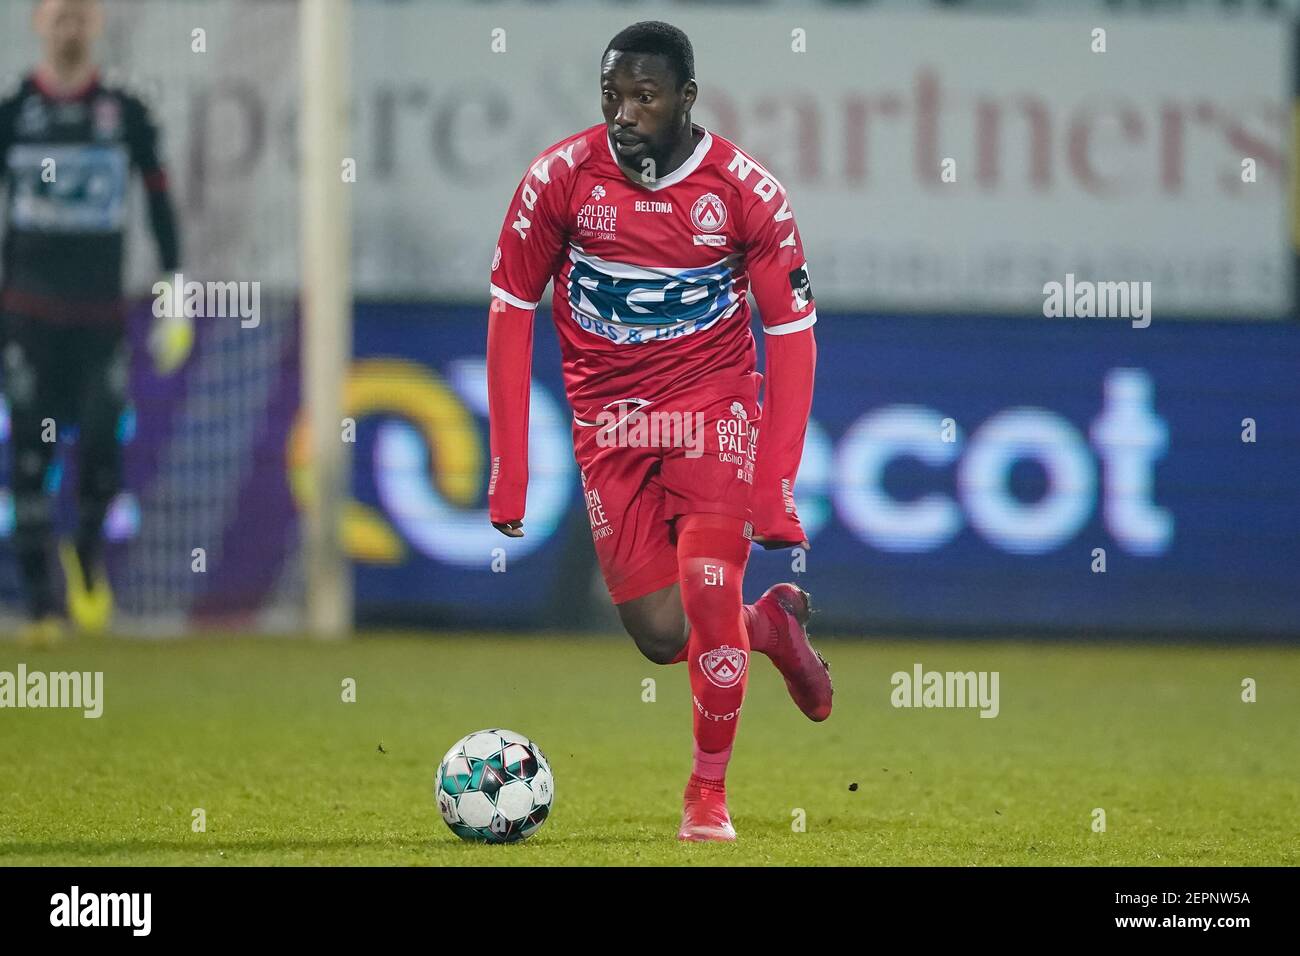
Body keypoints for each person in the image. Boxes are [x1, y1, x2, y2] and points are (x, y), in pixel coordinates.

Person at [486, 21, 831, 842]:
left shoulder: (746, 193)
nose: (627, 114)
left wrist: (777, 484)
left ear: (686, 98)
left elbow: (790, 335)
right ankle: (770, 628)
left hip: (710, 406)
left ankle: (706, 799)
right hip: (609, 424)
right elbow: (509, 311)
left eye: (646, 97)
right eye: (614, 96)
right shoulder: (560, 179)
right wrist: (511, 470)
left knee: (709, 589)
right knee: (659, 634)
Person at [0, 0, 188, 644]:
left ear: (97, 23)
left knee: (103, 452)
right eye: (59, 13)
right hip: (26, 319)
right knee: (30, 456)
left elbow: (160, 203)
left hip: (99, 319)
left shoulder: (125, 114)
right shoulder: (11, 114)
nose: (70, 25)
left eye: (81, 13)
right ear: (36, 21)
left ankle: (85, 551)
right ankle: (41, 610)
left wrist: (175, 290)